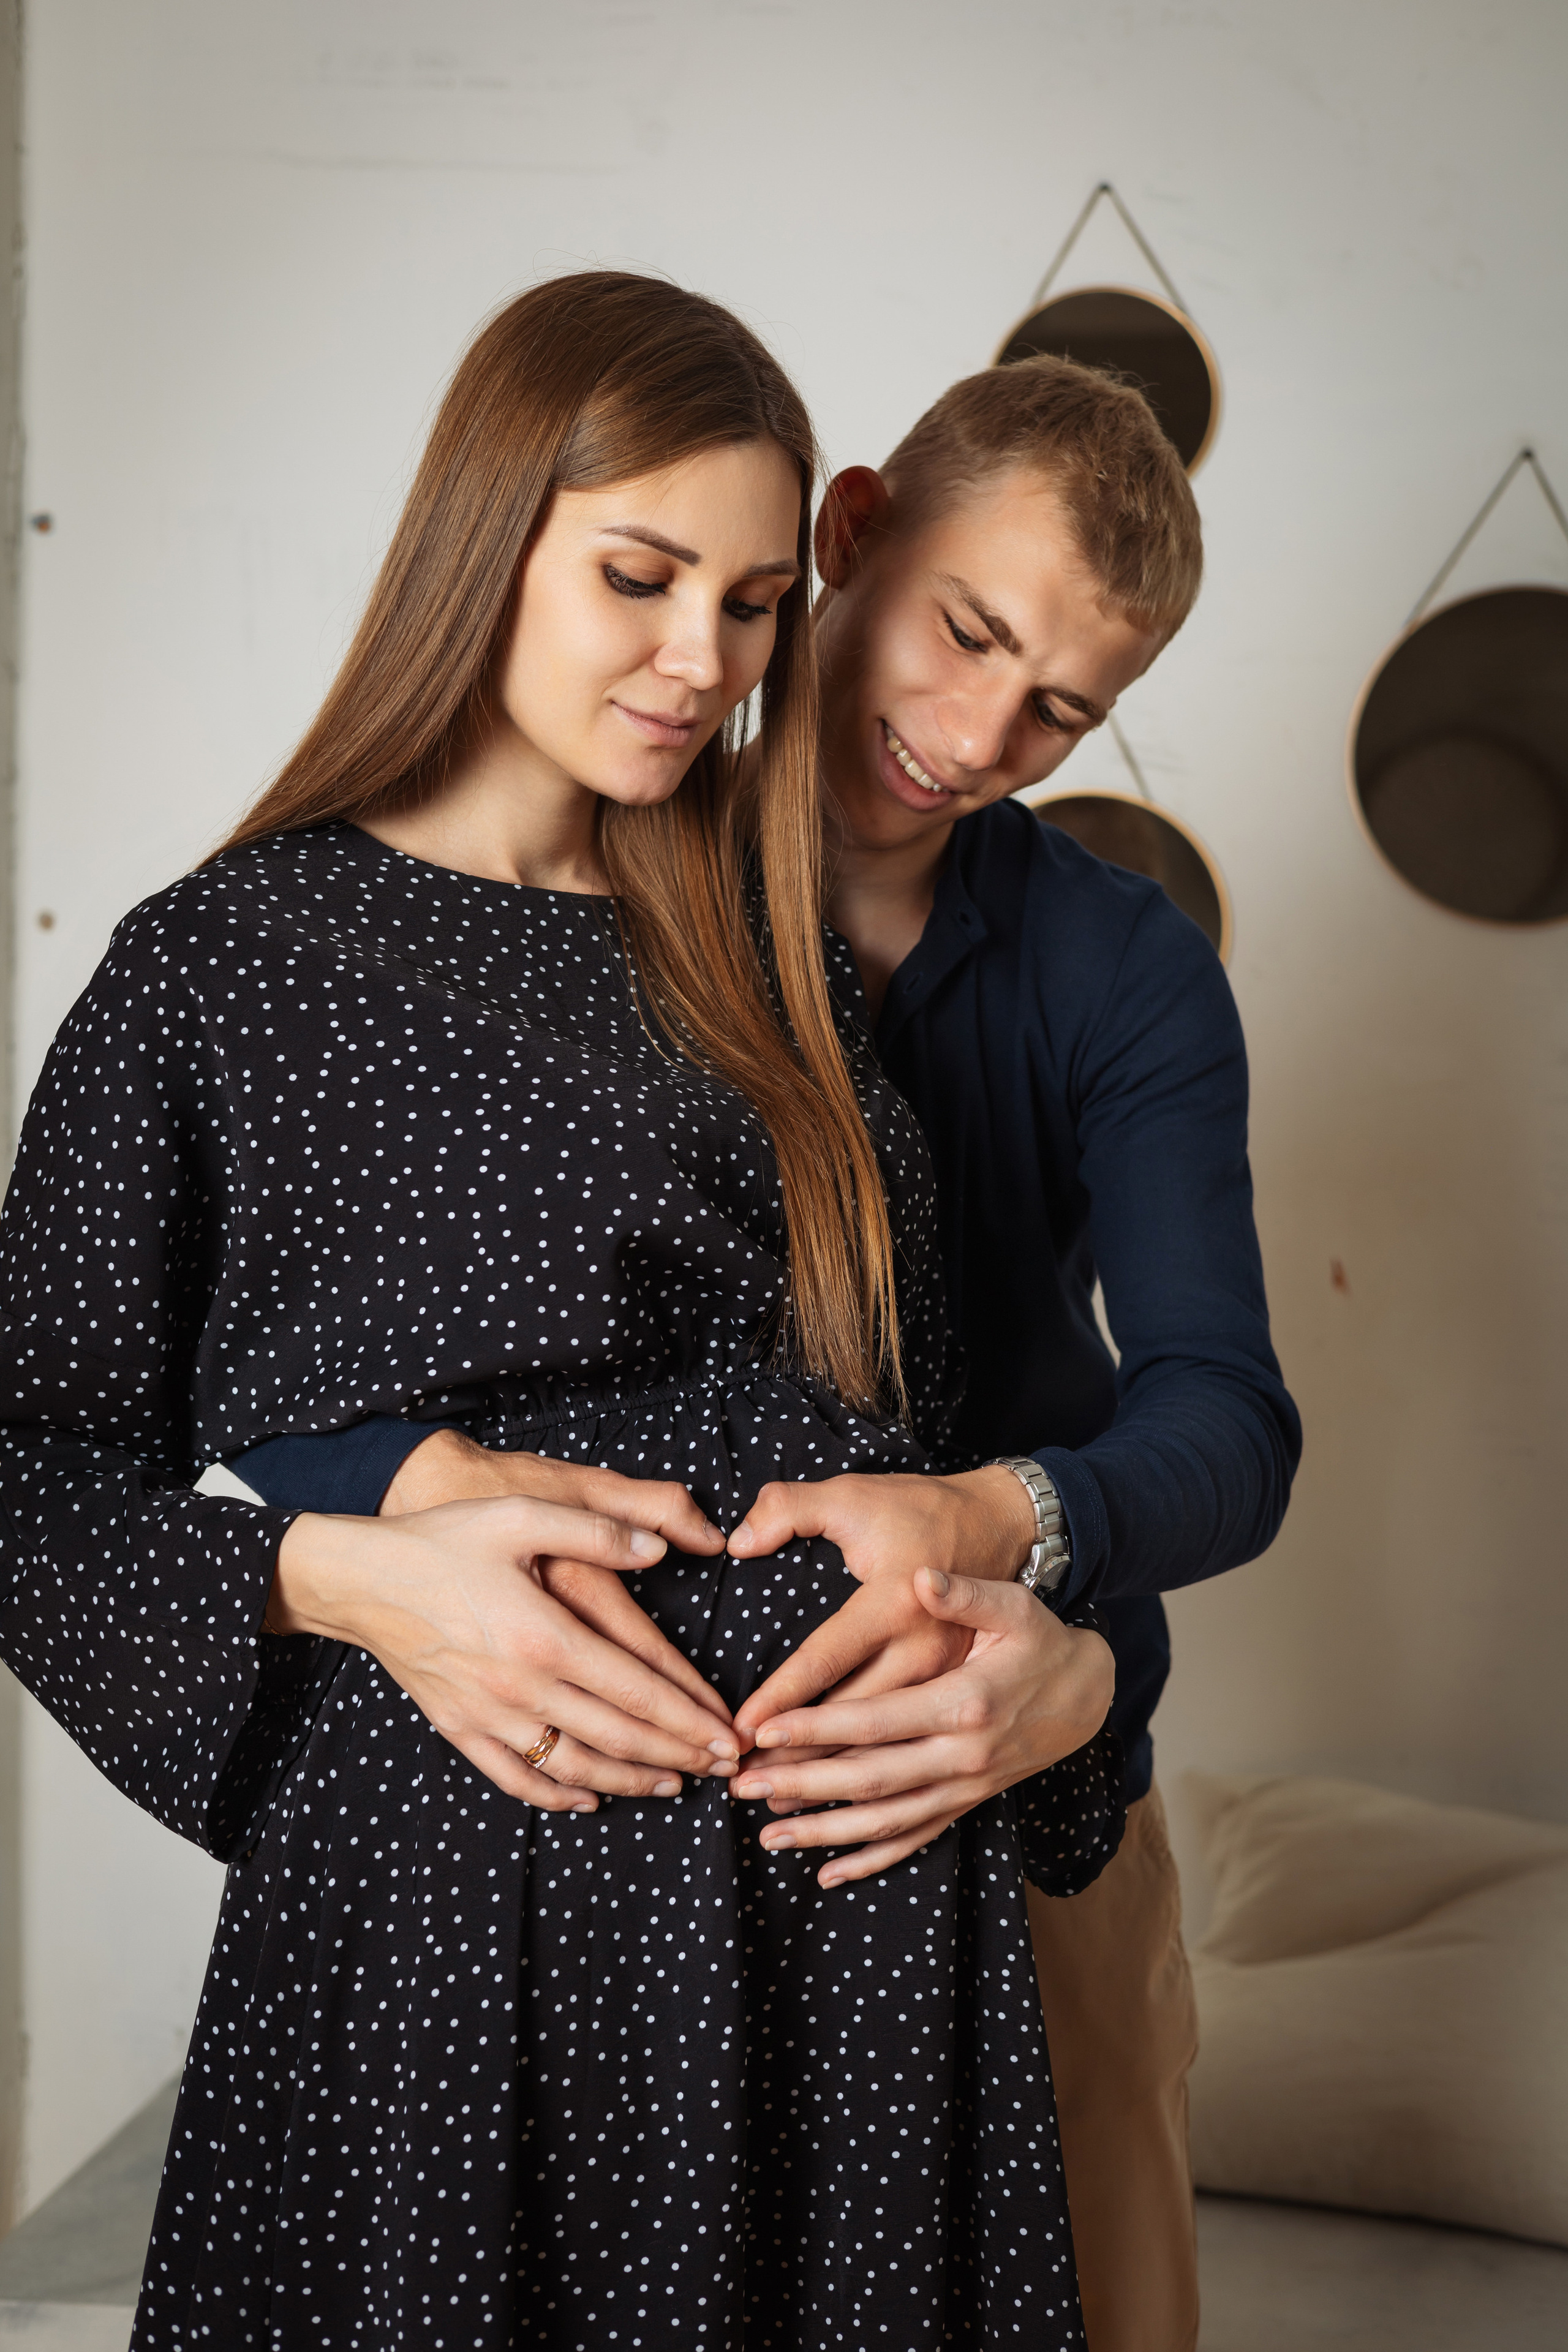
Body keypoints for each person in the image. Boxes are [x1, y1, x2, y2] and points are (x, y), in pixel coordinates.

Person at [0, 273, 1123, 2348]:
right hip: (465, 1927)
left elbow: (939, 1441)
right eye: (641, 575)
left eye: (759, 602)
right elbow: (26, 1477)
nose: (703, 661)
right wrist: (342, 1577)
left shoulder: (777, 958)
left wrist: (1065, 1681)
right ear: (488, 536)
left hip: (860, 1937)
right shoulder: (221, 968)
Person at [264, 354, 1301, 2352]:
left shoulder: (1128, 968)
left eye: (1063, 708)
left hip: (1001, 1750)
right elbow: (307, 1354)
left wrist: (1017, 1545)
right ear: (849, 538)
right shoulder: (552, 870)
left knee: (1109, 2290)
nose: (979, 732)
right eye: (966, 631)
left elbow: (1228, 1419)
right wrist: (422, 1525)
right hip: (587, 1794)